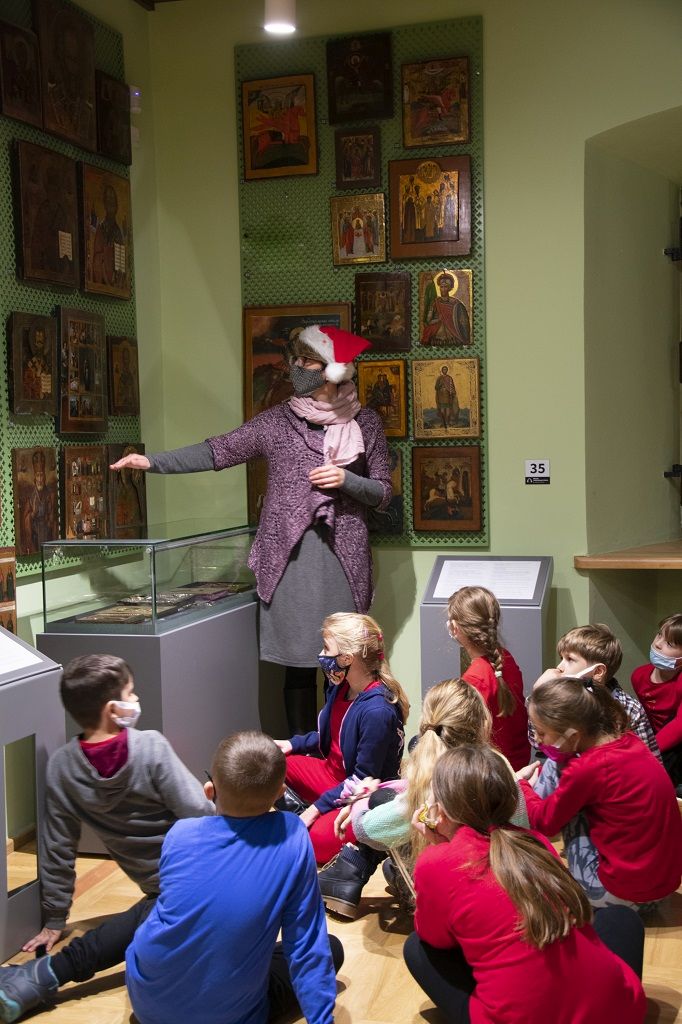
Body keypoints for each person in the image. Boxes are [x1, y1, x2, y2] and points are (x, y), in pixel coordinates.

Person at [110, 325, 391, 735]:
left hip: (342, 561)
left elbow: (383, 493)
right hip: (290, 561)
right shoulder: (277, 422)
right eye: (297, 359)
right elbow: (219, 450)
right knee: (297, 665)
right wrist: (152, 462)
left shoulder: (366, 423)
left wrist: (346, 480)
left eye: (308, 361)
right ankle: (300, 754)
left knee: (346, 665)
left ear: (334, 370)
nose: (297, 367)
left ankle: (342, 753)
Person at [0, 654, 213, 1022]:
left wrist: (55, 917)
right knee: (160, 914)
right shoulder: (151, 747)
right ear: (113, 709)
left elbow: (58, 845)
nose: (136, 699)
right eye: (130, 693)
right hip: (200, 874)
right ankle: (43, 977)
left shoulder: (63, 767)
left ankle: (38, 977)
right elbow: (199, 813)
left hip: (159, 885)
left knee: (156, 912)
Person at [404, 745, 647, 1024]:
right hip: (617, 1014)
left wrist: (438, 848)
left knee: (417, 948)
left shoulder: (436, 863)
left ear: (441, 811)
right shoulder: (535, 842)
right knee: (621, 919)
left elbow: (434, 937)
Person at [126, 731, 344, 1024]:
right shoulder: (291, 836)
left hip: (147, 1002)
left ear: (209, 790)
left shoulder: (180, 834)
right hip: (229, 1015)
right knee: (332, 948)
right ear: (281, 793)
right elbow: (305, 942)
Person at [318, 678, 529, 918]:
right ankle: (351, 875)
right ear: (484, 723)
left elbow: (365, 829)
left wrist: (360, 802)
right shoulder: (499, 764)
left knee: (383, 805)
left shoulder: (436, 784)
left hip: (464, 896)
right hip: (511, 883)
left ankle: (350, 872)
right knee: (393, 814)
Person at [520, 675, 682, 909]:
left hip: (623, 894)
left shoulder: (587, 769)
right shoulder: (629, 740)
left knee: (554, 771)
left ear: (573, 736)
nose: (537, 739)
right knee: (563, 776)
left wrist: (523, 786)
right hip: (662, 887)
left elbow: (544, 822)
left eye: (541, 732)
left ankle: (528, 857)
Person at [274, 613, 408, 864]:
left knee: (312, 845)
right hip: (333, 776)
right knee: (269, 764)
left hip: (362, 793)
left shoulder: (377, 711)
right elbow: (332, 735)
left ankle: (360, 838)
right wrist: (293, 744)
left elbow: (362, 780)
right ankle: (315, 814)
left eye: (327, 648)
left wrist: (314, 810)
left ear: (347, 658)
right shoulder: (341, 686)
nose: (322, 654)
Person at [447, 586, 530, 770]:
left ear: (455, 628)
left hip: (490, 770)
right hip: (516, 762)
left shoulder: (474, 679)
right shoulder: (505, 658)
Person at [631, 613, 682, 793]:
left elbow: (679, 726)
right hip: (653, 738)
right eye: (659, 634)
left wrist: (648, 749)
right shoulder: (639, 676)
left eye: (669, 644)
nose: (658, 643)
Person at [420, 272, 470, 346]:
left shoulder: (456, 304)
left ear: (450, 288)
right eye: (441, 286)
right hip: (438, 330)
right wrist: (438, 319)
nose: (443, 289)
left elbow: (462, 322)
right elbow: (428, 321)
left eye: (445, 287)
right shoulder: (435, 303)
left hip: (453, 332)